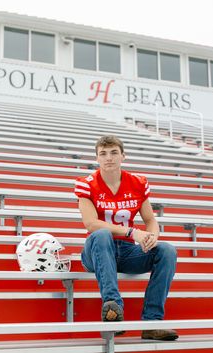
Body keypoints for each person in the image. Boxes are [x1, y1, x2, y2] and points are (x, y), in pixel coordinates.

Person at [74, 135, 178, 340]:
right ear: (97, 158)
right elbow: (91, 223)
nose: (108, 158)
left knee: (167, 250)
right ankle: (114, 311)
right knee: (102, 234)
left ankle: (152, 322)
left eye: (113, 152)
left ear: (123, 156)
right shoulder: (86, 184)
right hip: (97, 251)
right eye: (103, 154)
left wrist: (152, 236)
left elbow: (150, 219)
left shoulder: (137, 183)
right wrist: (132, 232)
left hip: (128, 252)